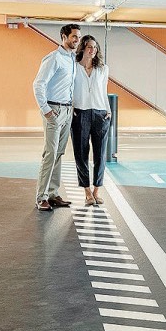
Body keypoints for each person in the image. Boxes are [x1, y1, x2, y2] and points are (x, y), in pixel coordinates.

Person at [33, 23, 81, 211]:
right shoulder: (54, 58)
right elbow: (38, 85)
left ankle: (53, 194)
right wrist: (45, 109)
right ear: (64, 37)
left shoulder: (72, 59)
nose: (77, 40)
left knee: (59, 153)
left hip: (67, 111)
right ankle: (41, 197)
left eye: (78, 37)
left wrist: (72, 107)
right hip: (53, 110)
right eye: (74, 36)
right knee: (50, 154)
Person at [71, 35, 112, 206]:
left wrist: (108, 110)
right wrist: (72, 106)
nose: (92, 50)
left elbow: (104, 90)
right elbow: (69, 88)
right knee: (81, 154)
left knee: (100, 155)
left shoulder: (103, 69)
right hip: (80, 113)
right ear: (82, 48)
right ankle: (87, 192)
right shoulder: (74, 67)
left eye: (95, 47)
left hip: (100, 114)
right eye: (89, 46)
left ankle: (97, 190)